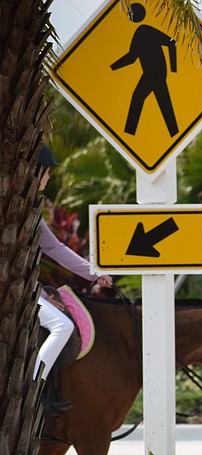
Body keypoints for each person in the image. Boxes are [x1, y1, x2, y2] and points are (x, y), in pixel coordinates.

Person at [34, 144, 113, 415]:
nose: (49, 179)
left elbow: (55, 248)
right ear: (35, 172)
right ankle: (33, 389)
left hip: (28, 287)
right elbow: (56, 249)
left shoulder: (31, 210)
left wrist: (95, 273)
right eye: (47, 173)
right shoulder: (25, 209)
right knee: (62, 326)